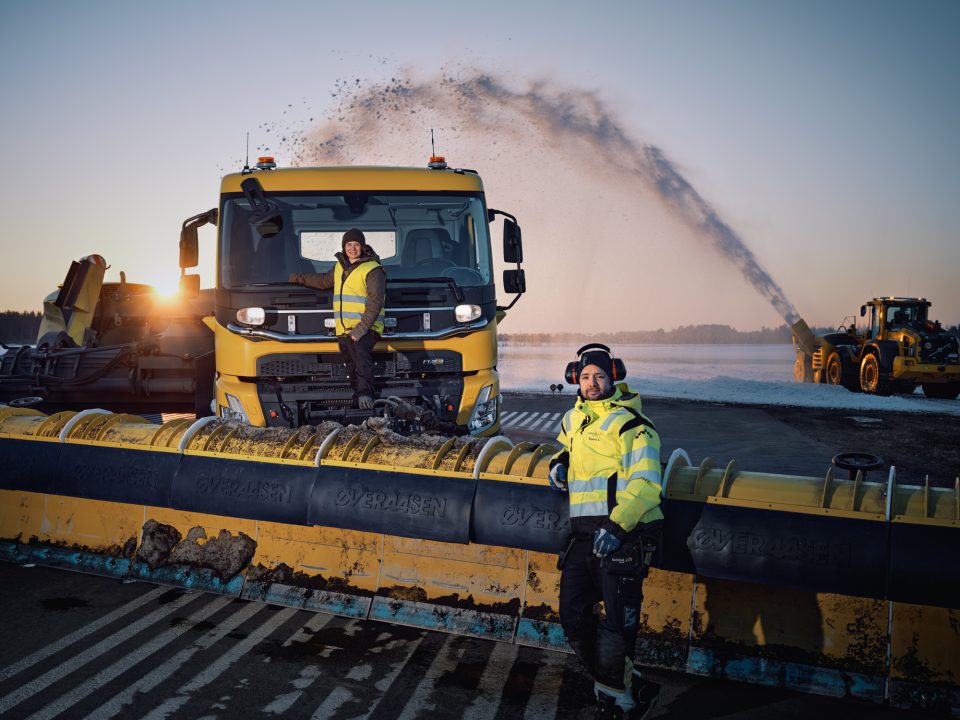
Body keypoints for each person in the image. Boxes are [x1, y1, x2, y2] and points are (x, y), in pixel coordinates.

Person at [549, 345, 663, 720]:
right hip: (583, 537)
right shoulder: (572, 420)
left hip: (622, 537)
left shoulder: (632, 425)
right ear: (574, 379)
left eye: (599, 376)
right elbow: (564, 450)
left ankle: (619, 701)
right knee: (572, 616)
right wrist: (558, 464)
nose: (592, 383)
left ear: (613, 376)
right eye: (584, 377)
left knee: (617, 626)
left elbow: (646, 484)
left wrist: (616, 526)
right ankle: (632, 683)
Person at [289, 228, 385, 410]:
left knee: (361, 358)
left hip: (366, 328)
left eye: (356, 244)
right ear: (344, 246)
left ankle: (366, 395)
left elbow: (375, 303)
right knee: (351, 365)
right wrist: (297, 278)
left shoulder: (373, 269)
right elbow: (323, 281)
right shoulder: (341, 266)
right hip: (344, 330)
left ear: (363, 247)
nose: (353, 248)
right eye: (349, 244)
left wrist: (360, 330)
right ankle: (359, 402)